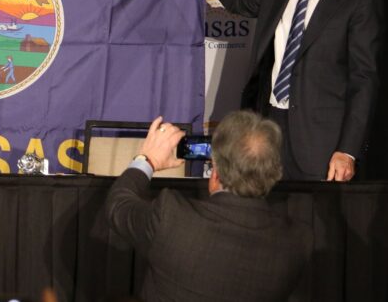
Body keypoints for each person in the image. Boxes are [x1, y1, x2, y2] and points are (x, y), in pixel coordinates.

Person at [197, 0, 383, 181]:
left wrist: (348, 150)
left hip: (319, 146)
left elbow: (364, 81)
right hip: (267, 136)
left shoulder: (359, 1)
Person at [106, 112, 312, 302]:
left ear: (215, 172)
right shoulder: (297, 242)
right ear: (273, 172)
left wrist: (147, 160)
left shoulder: (171, 218)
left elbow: (118, 206)